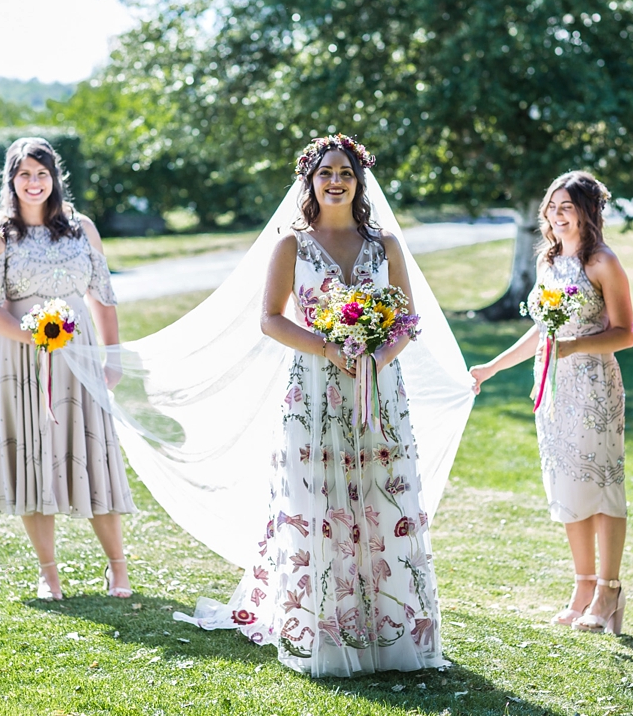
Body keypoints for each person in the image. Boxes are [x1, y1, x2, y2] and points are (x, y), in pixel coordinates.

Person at [169, 135, 467, 677]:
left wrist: (378, 358)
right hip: (313, 389)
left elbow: (408, 321)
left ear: (360, 181)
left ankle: (390, 630)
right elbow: (271, 319)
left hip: (380, 387)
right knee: (320, 500)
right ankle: (326, 630)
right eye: (326, 172)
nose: (336, 181)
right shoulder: (291, 245)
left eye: (346, 173)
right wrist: (330, 348)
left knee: (383, 497)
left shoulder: (386, 247)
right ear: (309, 181)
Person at [0, 137, 136, 601]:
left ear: (54, 178)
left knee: (95, 455)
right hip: (17, 358)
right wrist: (35, 336)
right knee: (31, 459)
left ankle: (117, 568)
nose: (34, 183)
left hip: (78, 357)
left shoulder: (82, 228)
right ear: (11, 180)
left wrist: (111, 358)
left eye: (42, 174)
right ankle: (49, 573)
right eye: (24, 174)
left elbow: (103, 296)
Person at [469, 171, 633, 634]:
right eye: (552, 207)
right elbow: (541, 331)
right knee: (565, 485)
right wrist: (491, 367)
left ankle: (609, 589)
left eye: (566, 207)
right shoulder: (547, 261)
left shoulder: (601, 262)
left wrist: (575, 347)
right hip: (552, 387)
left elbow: (625, 333)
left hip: (594, 383)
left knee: (600, 486)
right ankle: (582, 585)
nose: (556, 216)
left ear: (587, 212)